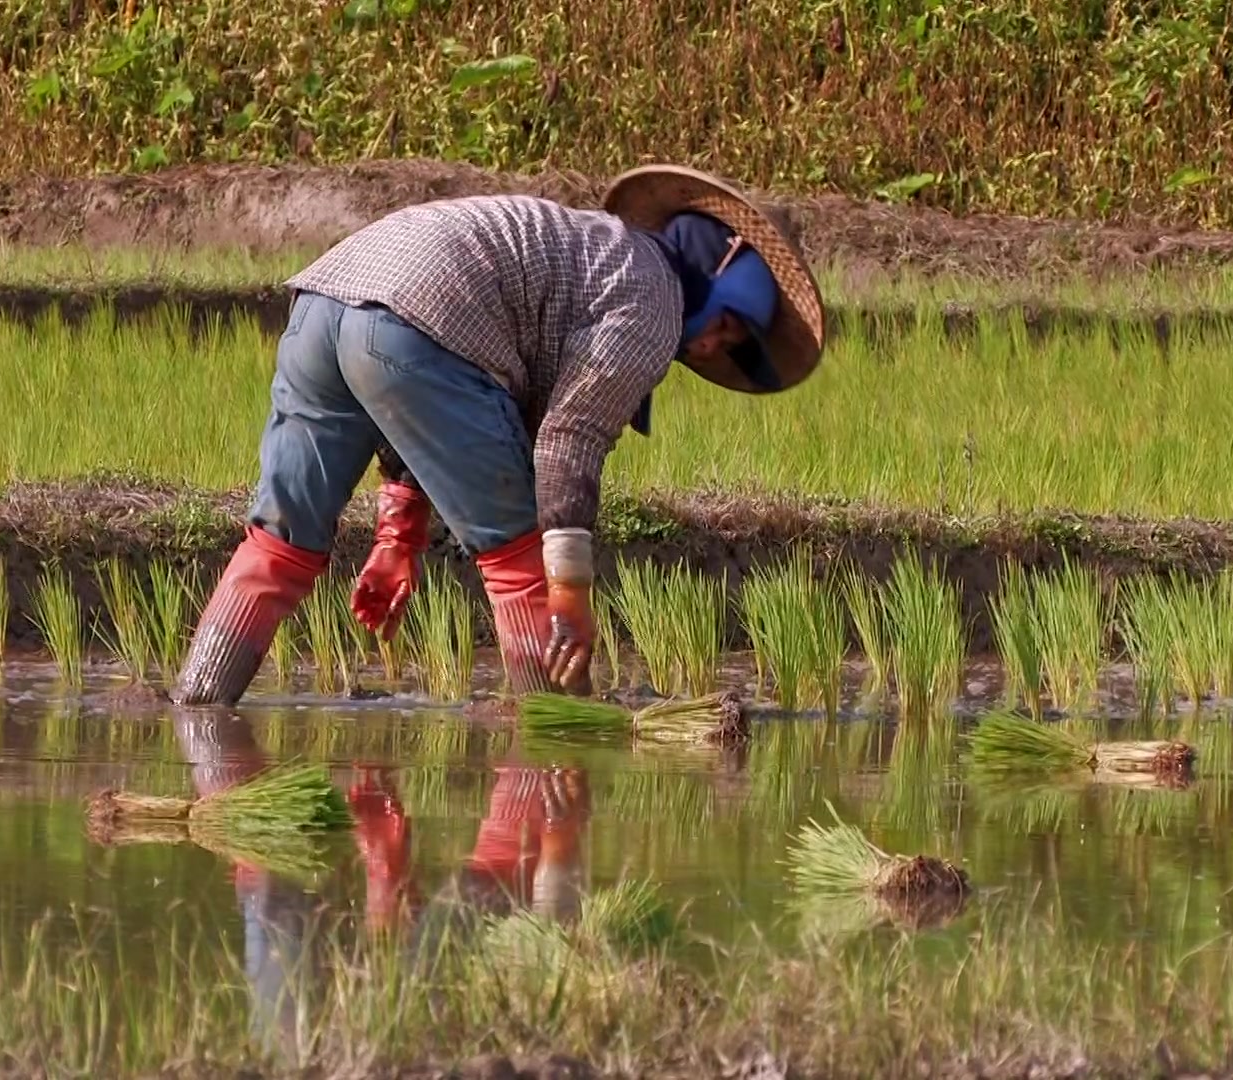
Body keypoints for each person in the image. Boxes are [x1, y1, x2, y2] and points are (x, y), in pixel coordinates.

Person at [171, 165, 826, 706]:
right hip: (410, 323)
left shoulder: (597, 252)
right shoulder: (654, 301)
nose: (712, 346)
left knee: (279, 543)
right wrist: (568, 593)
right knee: (520, 555)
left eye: (732, 342)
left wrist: (398, 539)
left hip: (326, 301)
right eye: (726, 324)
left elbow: (421, 391)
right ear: (708, 279)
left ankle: (198, 709)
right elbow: (568, 438)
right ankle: (553, 739)